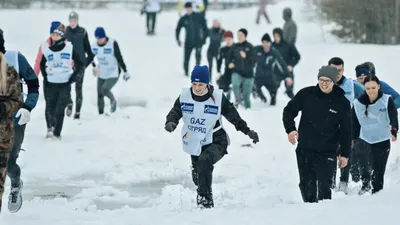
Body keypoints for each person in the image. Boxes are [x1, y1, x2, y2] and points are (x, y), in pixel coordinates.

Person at [165, 65, 259, 208]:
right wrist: (171, 121)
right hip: (195, 140)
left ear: (207, 84)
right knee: (199, 177)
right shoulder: (185, 96)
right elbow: (176, 111)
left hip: (217, 140)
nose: (196, 88)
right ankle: (203, 190)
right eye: (194, 84)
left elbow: (233, 116)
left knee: (205, 161)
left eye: (200, 84)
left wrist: (247, 131)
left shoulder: (218, 98)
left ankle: (205, 202)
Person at [282, 66, 351, 203]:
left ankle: (324, 217)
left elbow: (346, 131)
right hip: (305, 149)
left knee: (325, 187)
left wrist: (344, 154)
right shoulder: (306, 94)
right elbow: (288, 111)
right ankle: (309, 214)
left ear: (334, 82)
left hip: (328, 151)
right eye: (321, 80)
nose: (324, 83)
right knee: (307, 187)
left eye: (328, 81)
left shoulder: (342, 102)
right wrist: (291, 129)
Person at [0, 28, 40, 213]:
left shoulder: (15, 58)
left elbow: (33, 84)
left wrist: (28, 107)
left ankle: (15, 185)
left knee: (8, 163)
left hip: (15, 120)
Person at [352, 75, 398, 195]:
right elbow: (354, 123)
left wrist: (394, 130)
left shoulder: (387, 100)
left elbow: (393, 116)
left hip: (382, 139)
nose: (371, 91)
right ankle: (365, 185)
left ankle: (377, 193)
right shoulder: (357, 104)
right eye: (368, 88)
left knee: (379, 168)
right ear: (365, 89)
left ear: (378, 86)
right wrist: (352, 140)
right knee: (365, 167)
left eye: (373, 87)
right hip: (364, 139)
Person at [40, 23, 84, 139]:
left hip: (65, 83)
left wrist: (74, 77)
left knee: (60, 108)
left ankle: (57, 133)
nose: (54, 36)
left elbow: (80, 64)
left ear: (61, 36)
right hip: (51, 84)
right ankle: (51, 128)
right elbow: (41, 65)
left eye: (57, 34)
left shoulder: (69, 48)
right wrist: (46, 78)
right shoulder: (47, 51)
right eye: (53, 34)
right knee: (51, 107)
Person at [328, 57, 364, 192]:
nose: (337, 73)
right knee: (329, 153)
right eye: (334, 70)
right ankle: (330, 183)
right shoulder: (323, 83)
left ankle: (343, 183)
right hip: (328, 126)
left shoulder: (352, 85)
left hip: (346, 125)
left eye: (340, 70)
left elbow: (369, 96)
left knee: (345, 152)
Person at [0, 48, 23, 215]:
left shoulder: (9, 72)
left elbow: (17, 101)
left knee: (9, 164)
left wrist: (3, 107)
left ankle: (16, 184)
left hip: (4, 132)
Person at [91, 27, 130, 115]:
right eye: (98, 38)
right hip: (102, 72)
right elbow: (91, 58)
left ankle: (113, 101)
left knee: (104, 89)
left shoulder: (112, 43)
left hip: (113, 72)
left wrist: (125, 71)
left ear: (105, 37)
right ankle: (100, 113)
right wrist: (94, 67)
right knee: (99, 93)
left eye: (101, 38)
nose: (100, 40)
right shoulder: (94, 46)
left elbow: (119, 57)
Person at [65, 11, 95, 119]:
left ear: (77, 21)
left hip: (80, 64)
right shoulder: (65, 31)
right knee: (65, 86)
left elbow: (88, 49)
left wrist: (92, 64)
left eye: (74, 20)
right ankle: (69, 103)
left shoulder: (83, 32)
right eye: (71, 21)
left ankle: (77, 112)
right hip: (68, 64)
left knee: (78, 88)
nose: (72, 22)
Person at [254, 33, 290, 105]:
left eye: (267, 42)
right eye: (263, 42)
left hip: (269, 76)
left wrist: (287, 76)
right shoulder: (257, 50)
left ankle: (272, 106)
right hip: (258, 76)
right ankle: (262, 98)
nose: (265, 44)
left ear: (270, 43)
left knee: (273, 90)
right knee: (255, 88)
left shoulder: (274, 52)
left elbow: (282, 64)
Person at [175, 2, 208, 76]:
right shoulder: (183, 18)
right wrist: (178, 39)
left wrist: (204, 39)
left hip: (198, 41)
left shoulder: (198, 16)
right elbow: (178, 29)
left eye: (189, 8)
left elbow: (205, 28)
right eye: (187, 9)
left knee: (198, 56)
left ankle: (197, 71)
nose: (188, 10)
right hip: (188, 41)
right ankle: (186, 72)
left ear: (192, 8)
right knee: (186, 58)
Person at [226, 28, 255, 109]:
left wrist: (246, 57)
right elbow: (228, 57)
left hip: (248, 74)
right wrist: (229, 63)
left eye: (241, 35)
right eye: (238, 35)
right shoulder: (234, 47)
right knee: (235, 85)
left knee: (246, 95)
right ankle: (238, 102)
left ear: (245, 36)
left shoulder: (250, 47)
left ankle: (248, 109)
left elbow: (253, 61)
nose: (239, 37)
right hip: (237, 71)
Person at [272, 28, 300, 99]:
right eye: (274, 36)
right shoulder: (272, 46)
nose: (276, 38)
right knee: (273, 90)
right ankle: (270, 107)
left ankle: (296, 105)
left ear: (281, 36)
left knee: (289, 91)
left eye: (277, 36)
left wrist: (291, 65)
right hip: (276, 72)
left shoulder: (288, 45)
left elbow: (297, 56)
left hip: (287, 71)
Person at [216, 30, 234, 100]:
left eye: (229, 39)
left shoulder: (237, 48)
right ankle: (224, 99)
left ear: (232, 39)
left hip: (238, 71)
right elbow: (219, 61)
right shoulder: (223, 49)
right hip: (227, 71)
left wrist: (234, 64)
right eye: (226, 39)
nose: (228, 41)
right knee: (221, 82)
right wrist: (218, 72)